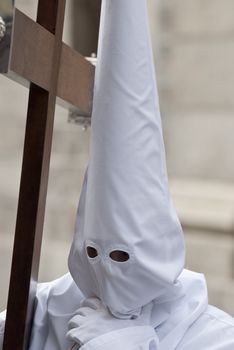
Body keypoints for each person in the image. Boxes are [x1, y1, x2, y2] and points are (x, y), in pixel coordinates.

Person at [1, 1, 234, 349]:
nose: (108, 271)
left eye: (124, 256)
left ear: (158, 248)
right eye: (92, 252)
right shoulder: (44, 307)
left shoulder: (214, 335)